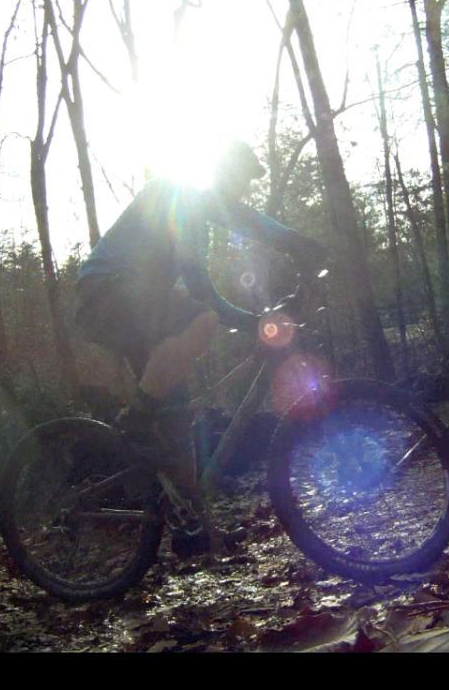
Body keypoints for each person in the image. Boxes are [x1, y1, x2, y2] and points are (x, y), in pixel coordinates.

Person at [74, 140, 326, 553]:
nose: (242, 188)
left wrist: (295, 251)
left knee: (176, 414)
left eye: (246, 181)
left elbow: (238, 236)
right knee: (199, 321)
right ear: (219, 171)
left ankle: (193, 530)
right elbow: (200, 284)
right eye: (240, 177)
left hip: (133, 302)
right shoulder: (182, 194)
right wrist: (247, 314)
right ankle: (135, 417)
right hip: (107, 295)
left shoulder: (203, 208)